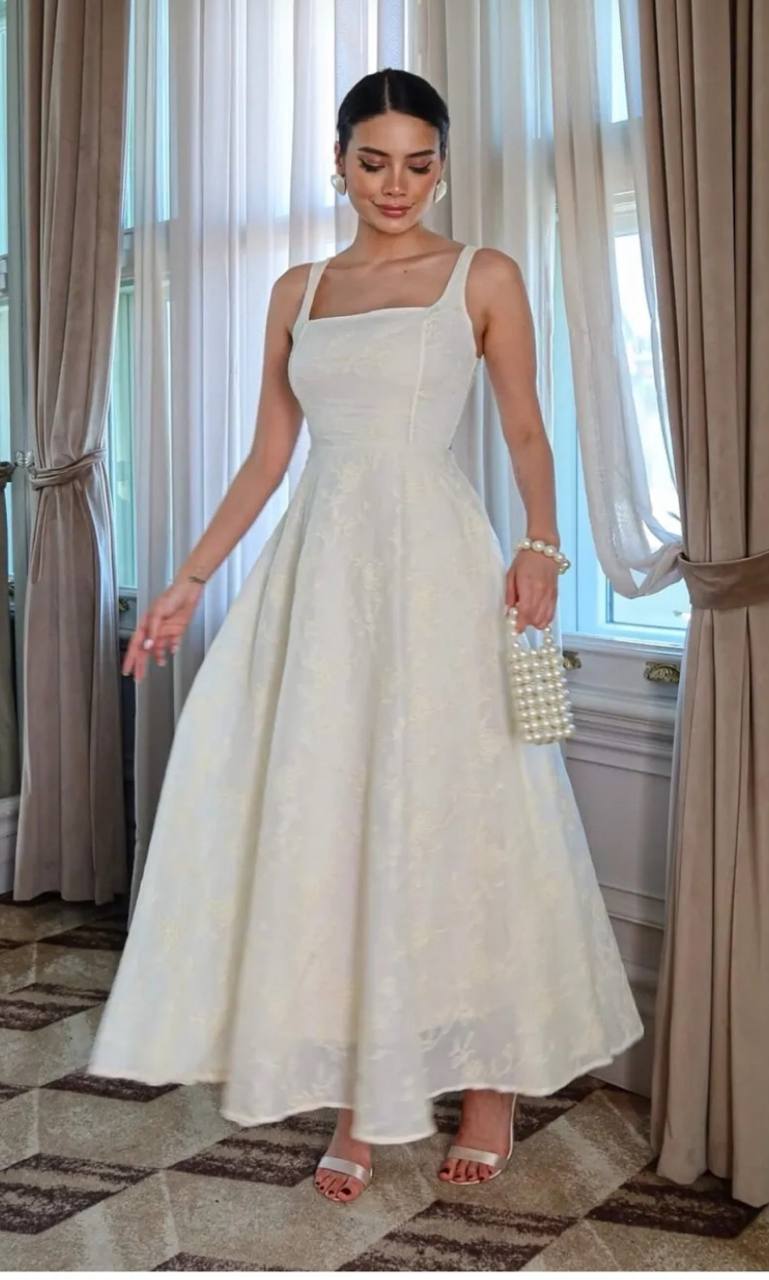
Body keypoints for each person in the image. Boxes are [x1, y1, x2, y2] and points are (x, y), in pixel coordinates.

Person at [87, 67, 644, 1205]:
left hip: (436, 569)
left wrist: (542, 545)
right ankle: (360, 1094)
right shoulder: (297, 290)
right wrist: (188, 580)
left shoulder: (483, 274)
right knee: (341, 822)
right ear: (337, 163)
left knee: (461, 817)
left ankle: (487, 1083)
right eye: (374, 161)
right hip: (321, 577)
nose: (397, 184)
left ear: (442, 164)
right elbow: (268, 456)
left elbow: (526, 430)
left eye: (418, 162)